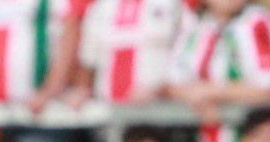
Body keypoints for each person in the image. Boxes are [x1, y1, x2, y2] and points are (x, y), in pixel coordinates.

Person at [163, 0, 270, 142]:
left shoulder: (257, 21)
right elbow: (171, 82)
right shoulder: (195, 22)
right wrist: (197, 99)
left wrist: (210, 93)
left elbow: (269, 87)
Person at [57, 0, 189, 107]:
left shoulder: (173, 4)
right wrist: (83, 89)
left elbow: (185, 54)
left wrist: (160, 89)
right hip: (109, 112)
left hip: (161, 112)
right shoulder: (101, 6)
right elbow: (89, 58)